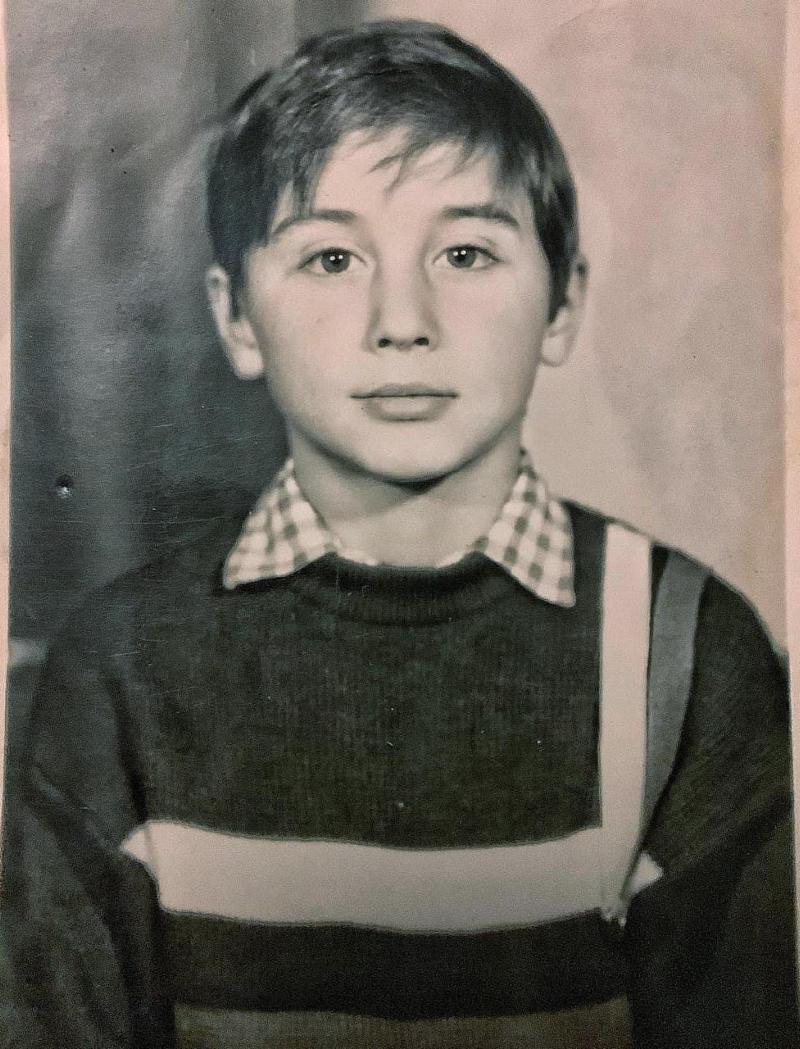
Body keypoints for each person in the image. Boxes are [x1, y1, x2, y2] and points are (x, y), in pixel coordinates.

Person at [1, 19, 795, 1049]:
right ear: (236, 318)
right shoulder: (120, 671)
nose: (402, 320)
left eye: (465, 252)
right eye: (331, 257)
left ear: (561, 301)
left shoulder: (681, 655)